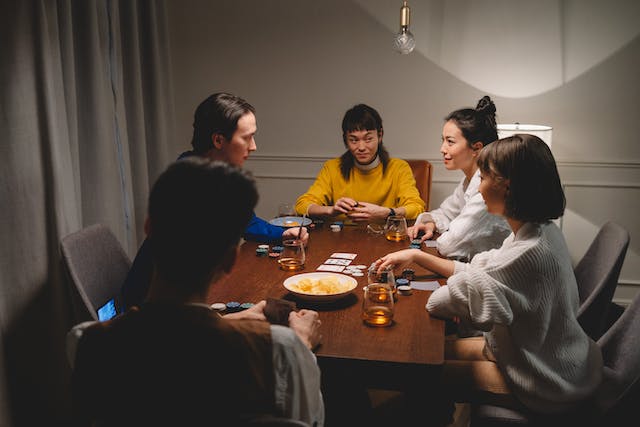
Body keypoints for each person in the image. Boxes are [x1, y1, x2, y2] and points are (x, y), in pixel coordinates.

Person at [67, 158, 325, 426]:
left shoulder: (85, 343)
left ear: (149, 229)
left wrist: (230, 320)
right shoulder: (282, 351)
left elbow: (168, 345)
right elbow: (308, 421)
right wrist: (303, 344)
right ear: (230, 261)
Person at [376, 134, 602, 416]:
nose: (479, 189)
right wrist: (418, 256)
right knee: (434, 351)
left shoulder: (526, 254)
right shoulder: (538, 231)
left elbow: (440, 302)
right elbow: (481, 272)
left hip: (547, 381)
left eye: (483, 178)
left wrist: (465, 283)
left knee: (421, 372)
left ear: (506, 187)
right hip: (545, 354)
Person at [122, 92, 308, 309]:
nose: (254, 146)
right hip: (152, 310)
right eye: (247, 137)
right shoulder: (192, 183)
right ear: (219, 140)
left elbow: (247, 223)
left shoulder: (208, 173)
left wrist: (283, 233)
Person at [408, 96, 510, 261]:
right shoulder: (469, 180)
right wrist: (431, 223)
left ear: (476, 148)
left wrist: (447, 231)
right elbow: (446, 212)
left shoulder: (488, 188)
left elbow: (450, 245)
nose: (442, 149)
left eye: (450, 142)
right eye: (443, 141)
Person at [295, 103, 425, 222]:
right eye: (354, 140)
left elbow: (417, 207)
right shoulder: (332, 168)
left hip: (385, 239)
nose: (361, 147)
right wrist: (331, 210)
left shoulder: (398, 168)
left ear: (380, 136)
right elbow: (302, 206)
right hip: (341, 241)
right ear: (345, 140)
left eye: (368, 139)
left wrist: (388, 213)